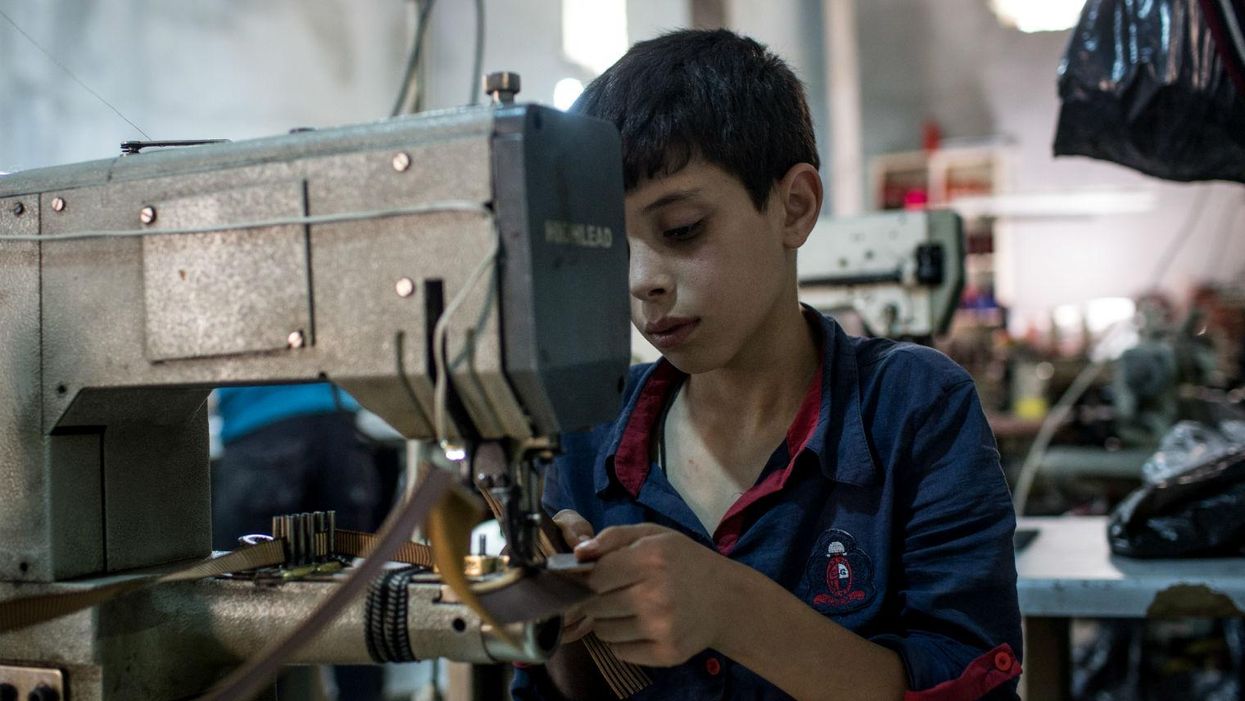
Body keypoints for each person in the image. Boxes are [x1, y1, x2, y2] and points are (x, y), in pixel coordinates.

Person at [512, 29, 1022, 700]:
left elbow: (965, 683)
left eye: (683, 228)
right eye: (609, 244)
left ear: (795, 206)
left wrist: (730, 607)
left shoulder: (911, 409)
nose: (641, 280)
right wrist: (562, 614)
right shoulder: (588, 435)